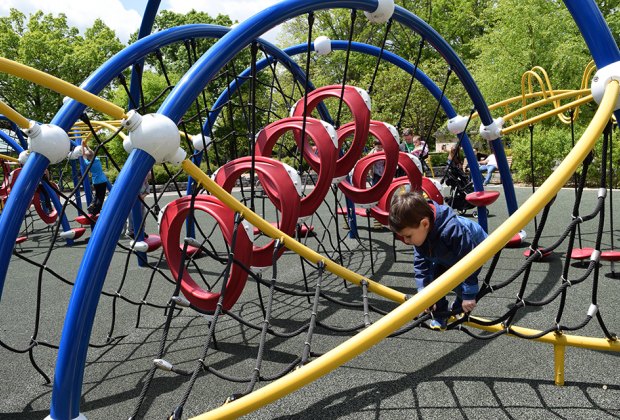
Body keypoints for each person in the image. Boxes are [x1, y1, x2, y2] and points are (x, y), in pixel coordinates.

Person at [388, 191, 487, 330]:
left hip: (473, 250)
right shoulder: (420, 232)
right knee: (434, 281)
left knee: (459, 283)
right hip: (443, 253)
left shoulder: (453, 230)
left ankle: (459, 304)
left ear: (425, 223)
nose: (406, 241)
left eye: (408, 236)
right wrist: (424, 294)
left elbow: (471, 263)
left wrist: (469, 295)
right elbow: (421, 266)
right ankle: (440, 314)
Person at [81, 139, 109, 216]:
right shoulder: (97, 160)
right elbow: (92, 152)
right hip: (102, 180)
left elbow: (83, 155)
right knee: (101, 197)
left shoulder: (87, 163)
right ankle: (96, 211)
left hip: (95, 181)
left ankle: (93, 205)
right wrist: (86, 145)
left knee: (97, 195)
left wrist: (82, 146)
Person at [126, 172, 151, 239]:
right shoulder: (137, 182)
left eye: (148, 178)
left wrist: (143, 196)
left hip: (141, 202)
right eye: (146, 178)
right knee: (132, 216)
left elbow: (147, 191)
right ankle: (131, 232)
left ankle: (142, 231)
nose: (147, 179)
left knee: (143, 216)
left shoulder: (146, 183)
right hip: (133, 203)